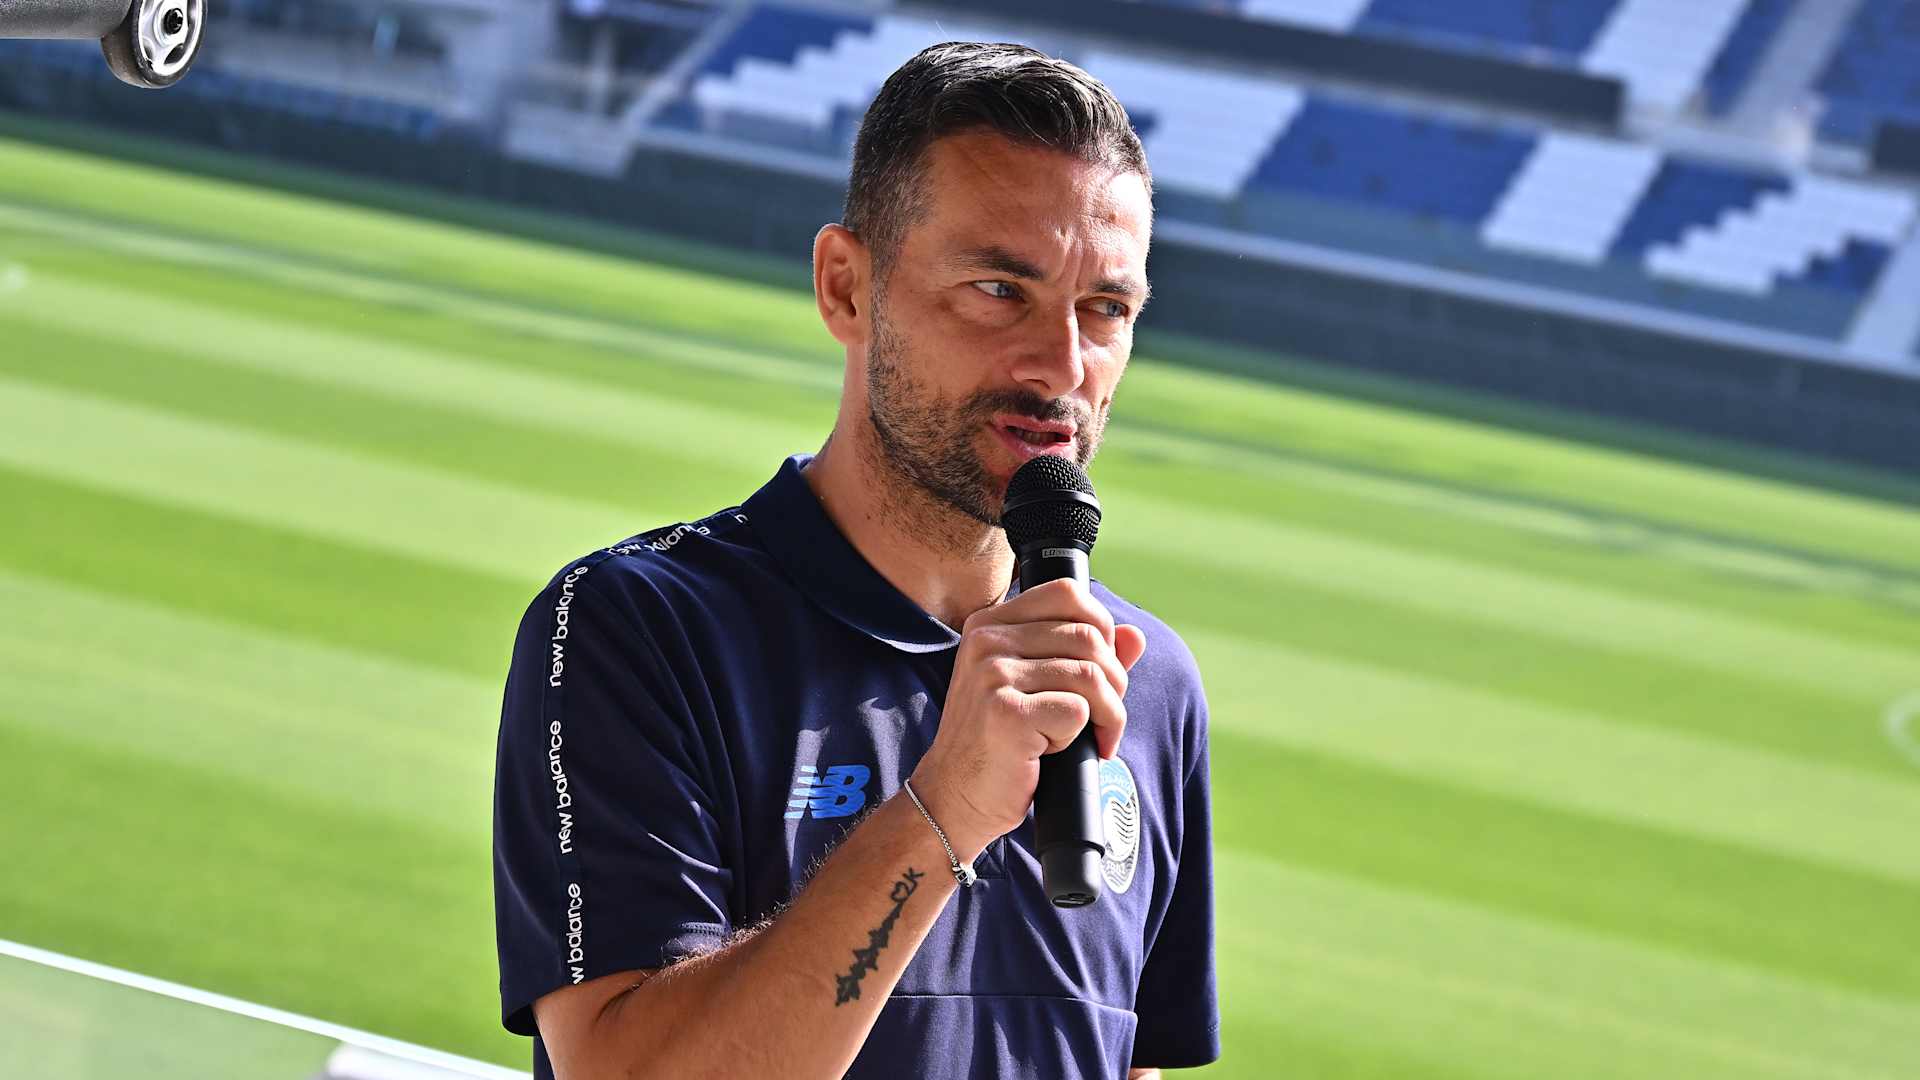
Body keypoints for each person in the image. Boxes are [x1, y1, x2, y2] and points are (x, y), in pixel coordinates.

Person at [492, 40, 1219, 1080]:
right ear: (845, 286)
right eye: (998, 289)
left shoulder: (1144, 683)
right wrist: (942, 810)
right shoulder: (636, 628)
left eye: (1106, 310)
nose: (1062, 366)